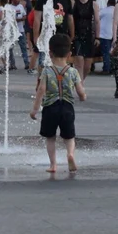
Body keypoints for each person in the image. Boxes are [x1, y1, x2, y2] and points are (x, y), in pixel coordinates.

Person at [29, 32, 86, 174]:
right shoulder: (73, 72)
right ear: (69, 54)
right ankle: (70, 154)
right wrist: (83, 96)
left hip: (50, 108)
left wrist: (35, 109)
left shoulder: (47, 71)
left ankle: (53, 165)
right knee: (69, 136)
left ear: (50, 53)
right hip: (67, 107)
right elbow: (80, 91)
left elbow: (41, 90)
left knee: (50, 138)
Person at [33, 0, 74, 71]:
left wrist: (72, 35)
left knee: (62, 61)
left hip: (62, 34)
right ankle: (41, 82)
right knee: (44, 62)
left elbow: (70, 18)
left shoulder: (66, 0)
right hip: (47, 35)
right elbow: (37, 19)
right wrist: (36, 36)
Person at [70, 0, 98, 79]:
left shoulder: (94, 4)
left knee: (87, 66)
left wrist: (98, 37)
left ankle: (79, 83)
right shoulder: (74, 3)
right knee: (79, 63)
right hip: (77, 35)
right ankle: (80, 86)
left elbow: (97, 22)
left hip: (89, 35)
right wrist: (71, 36)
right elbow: (70, 20)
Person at [11, 0, 32, 73]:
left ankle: (26, 63)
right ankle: (12, 64)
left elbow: (25, 16)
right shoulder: (9, 7)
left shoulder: (20, 7)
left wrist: (21, 19)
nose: (18, 0)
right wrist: (15, 19)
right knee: (10, 48)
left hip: (20, 30)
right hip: (12, 30)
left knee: (23, 47)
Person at [98, 0, 116, 74]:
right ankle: (112, 68)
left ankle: (106, 69)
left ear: (108, 3)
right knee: (113, 53)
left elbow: (96, 18)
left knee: (106, 52)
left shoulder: (104, 11)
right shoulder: (116, 11)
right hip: (114, 34)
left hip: (104, 34)